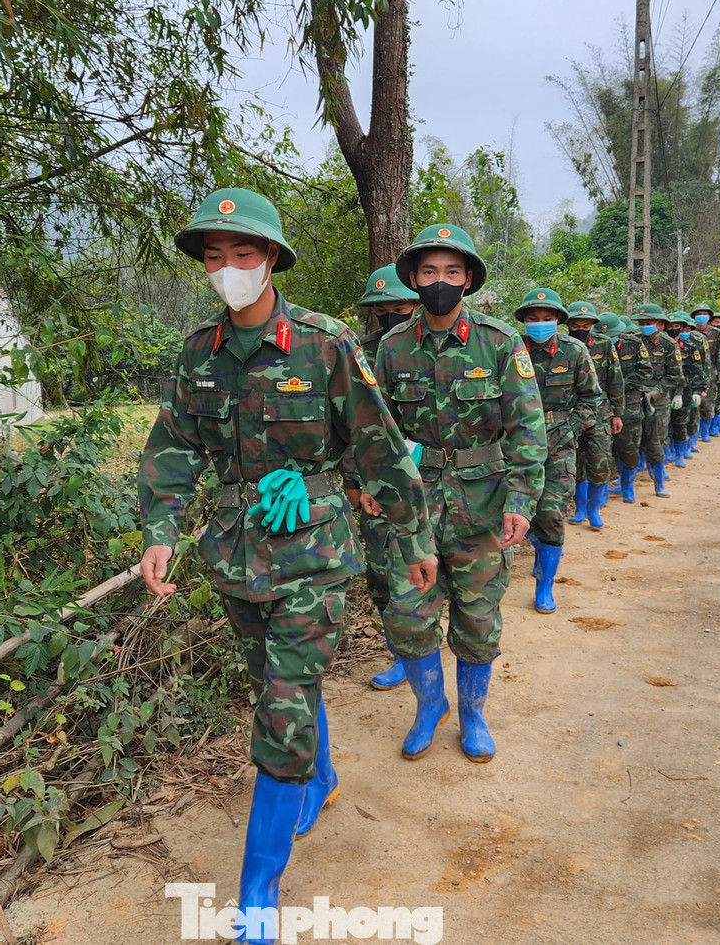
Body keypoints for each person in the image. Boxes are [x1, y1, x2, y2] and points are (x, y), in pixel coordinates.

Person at [137, 189, 439, 944]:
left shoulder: (324, 341)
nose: (228, 268)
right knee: (279, 687)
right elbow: (173, 447)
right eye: (215, 256)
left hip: (315, 553)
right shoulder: (198, 352)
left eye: (243, 253)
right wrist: (160, 528)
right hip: (238, 555)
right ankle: (323, 778)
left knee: (281, 705)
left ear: (271, 258)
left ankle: (257, 893)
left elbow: (381, 449)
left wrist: (414, 542)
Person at [373, 223, 546, 763]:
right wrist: (370, 486)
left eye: (451, 271)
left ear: (468, 279)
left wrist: (522, 501)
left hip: (484, 504)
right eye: (429, 272)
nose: (440, 281)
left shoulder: (500, 342)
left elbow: (527, 428)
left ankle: (472, 713)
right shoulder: (392, 347)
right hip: (413, 506)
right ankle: (430, 705)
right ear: (414, 280)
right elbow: (374, 429)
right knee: (405, 611)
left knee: (477, 617)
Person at [350, 265, 422, 691]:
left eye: (398, 306)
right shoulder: (357, 352)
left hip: (430, 478)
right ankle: (398, 653)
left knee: (420, 568)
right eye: (381, 310)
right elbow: (347, 425)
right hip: (376, 482)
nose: (390, 316)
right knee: (380, 570)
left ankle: (423, 645)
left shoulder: (428, 349)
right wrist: (355, 483)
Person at [514, 289, 601, 611]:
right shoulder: (510, 349)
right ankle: (538, 549)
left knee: (550, 513)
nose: (540, 324)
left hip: (559, 444)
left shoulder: (574, 351)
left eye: (547, 319)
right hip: (515, 444)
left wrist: (571, 428)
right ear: (524, 321)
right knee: (517, 513)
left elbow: (592, 398)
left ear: (558, 321)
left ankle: (545, 586)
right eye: (533, 319)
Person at [566, 301, 623, 531]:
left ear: (592, 325)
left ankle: (594, 509)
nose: (580, 329)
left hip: (600, 414)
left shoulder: (604, 345)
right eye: (575, 325)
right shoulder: (564, 346)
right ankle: (580, 508)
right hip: (572, 415)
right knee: (576, 463)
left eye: (585, 325)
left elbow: (615, 380)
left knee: (599, 462)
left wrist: (617, 414)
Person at [631, 303, 684, 498]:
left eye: (649, 322)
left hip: (657, 403)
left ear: (660, 324)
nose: (645, 326)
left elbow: (674, 376)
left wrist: (654, 393)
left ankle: (659, 482)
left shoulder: (669, 344)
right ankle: (626, 481)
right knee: (630, 442)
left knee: (655, 442)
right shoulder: (633, 342)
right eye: (642, 323)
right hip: (634, 400)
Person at [610, 312, 652, 502]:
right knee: (607, 450)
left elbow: (645, 371)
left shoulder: (634, 344)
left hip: (630, 406)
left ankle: (628, 487)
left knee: (629, 448)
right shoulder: (592, 346)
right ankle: (614, 482)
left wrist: (619, 384)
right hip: (604, 406)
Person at [666, 311, 707, 467]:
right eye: (670, 326)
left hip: (686, 391)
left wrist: (698, 391)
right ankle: (667, 452)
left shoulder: (690, 346)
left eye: (677, 326)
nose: (673, 329)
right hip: (665, 392)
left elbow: (698, 370)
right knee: (665, 425)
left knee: (681, 423)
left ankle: (679, 454)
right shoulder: (663, 345)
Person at [689, 304, 720, 445]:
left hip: (711, 374)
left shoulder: (716, 333)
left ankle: (705, 431)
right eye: (699, 313)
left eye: (704, 313)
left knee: (708, 404)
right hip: (693, 374)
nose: (701, 316)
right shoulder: (689, 331)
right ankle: (693, 433)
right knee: (693, 405)